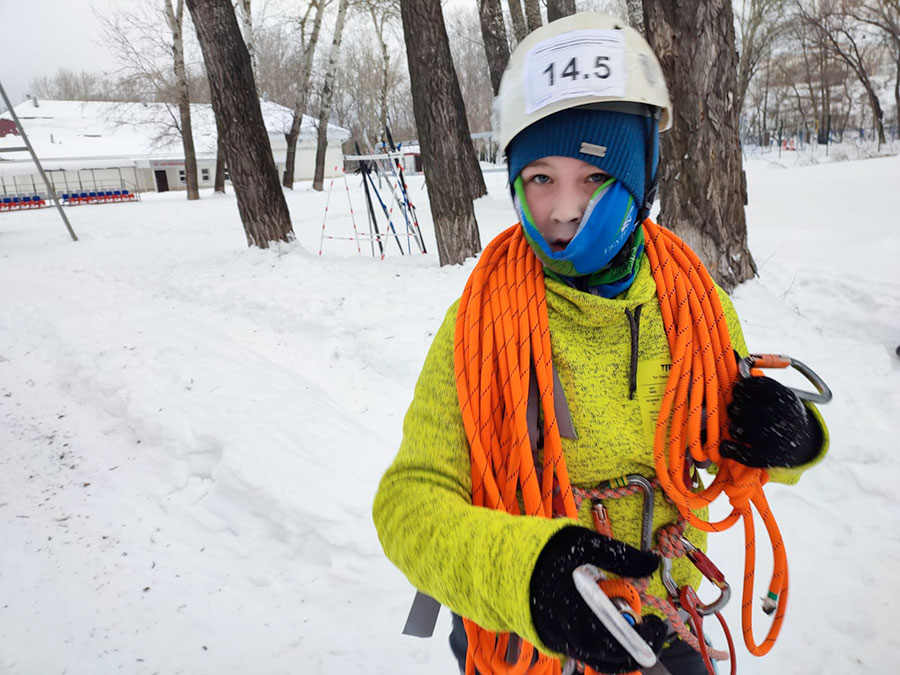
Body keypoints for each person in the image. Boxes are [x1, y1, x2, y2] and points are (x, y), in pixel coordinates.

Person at [373, 12, 828, 675]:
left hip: (663, 617)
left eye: (593, 176)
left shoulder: (693, 306)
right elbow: (409, 502)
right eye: (540, 178)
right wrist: (525, 575)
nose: (562, 209)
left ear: (643, 174)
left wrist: (791, 438)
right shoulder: (477, 324)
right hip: (527, 630)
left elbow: (734, 443)